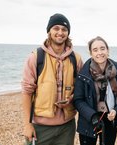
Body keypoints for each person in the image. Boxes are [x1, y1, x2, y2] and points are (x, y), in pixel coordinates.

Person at [21, 13, 83, 145]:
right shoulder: (35, 57)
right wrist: (27, 125)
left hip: (67, 126)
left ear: (68, 33)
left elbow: (80, 89)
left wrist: (71, 99)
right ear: (49, 31)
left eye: (64, 29)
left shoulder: (76, 59)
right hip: (39, 126)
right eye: (56, 28)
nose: (60, 32)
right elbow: (27, 92)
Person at [73, 36, 117, 145]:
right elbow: (78, 100)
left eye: (102, 48)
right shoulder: (84, 73)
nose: (100, 52)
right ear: (91, 53)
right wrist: (93, 116)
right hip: (89, 120)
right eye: (95, 50)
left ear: (108, 50)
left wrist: (116, 111)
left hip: (110, 119)